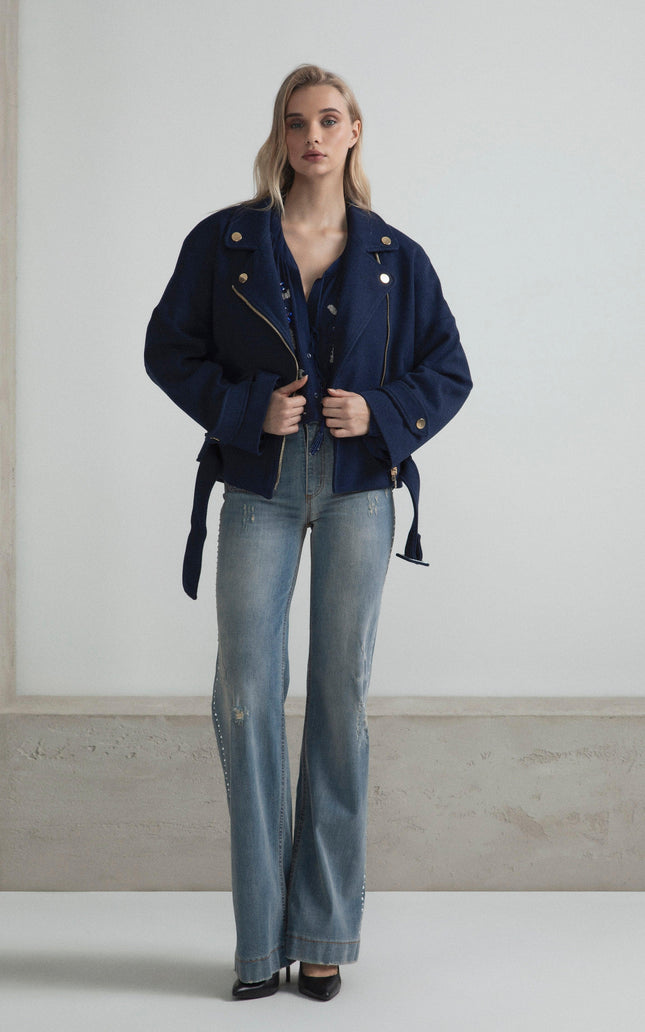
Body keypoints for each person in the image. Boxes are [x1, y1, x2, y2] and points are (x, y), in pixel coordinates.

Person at [145, 63, 472, 1002]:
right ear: (280, 137)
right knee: (245, 692)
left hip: (361, 487)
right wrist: (250, 410)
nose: (313, 137)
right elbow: (168, 349)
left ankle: (321, 932)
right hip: (259, 481)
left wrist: (382, 412)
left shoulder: (395, 257)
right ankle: (258, 944)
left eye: (330, 120)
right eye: (297, 123)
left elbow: (448, 370)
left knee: (340, 697)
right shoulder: (225, 242)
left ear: (356, 131)